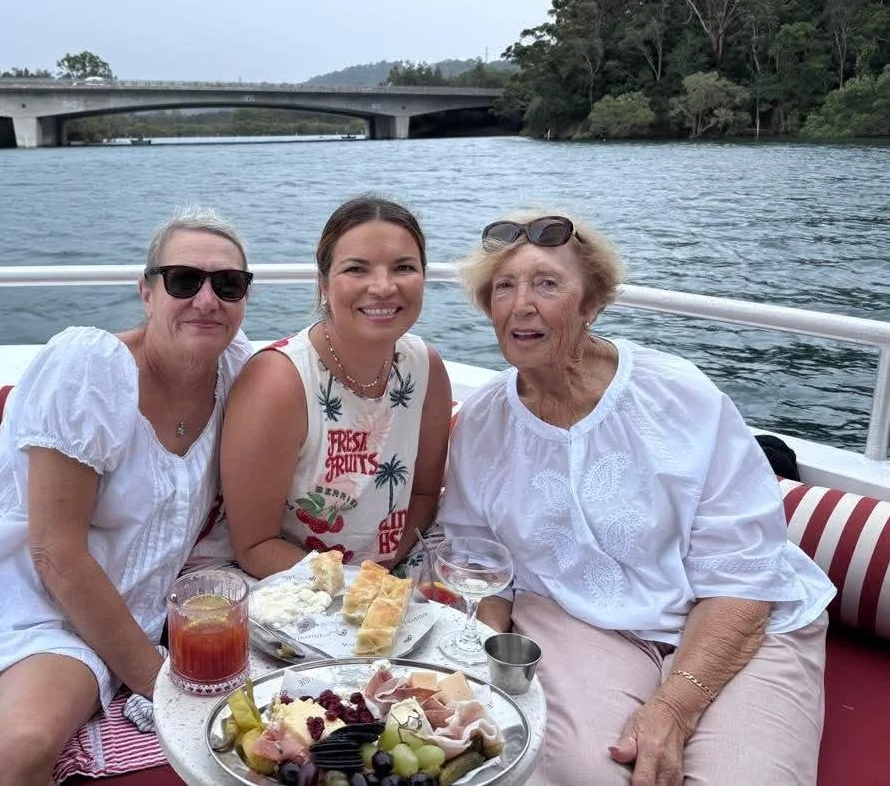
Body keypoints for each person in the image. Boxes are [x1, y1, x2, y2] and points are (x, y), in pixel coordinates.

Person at [0, 208, 254, 786]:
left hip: (87, 612)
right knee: (22, 746)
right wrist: (162, 683)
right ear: (147, 292)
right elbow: (54, 552)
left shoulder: (238, 373)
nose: (207, 300)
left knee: (20, 747)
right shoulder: (92, 369)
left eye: (228, 284)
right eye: (184, 280)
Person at [440, 211, 834, 786]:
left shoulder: (674, 394)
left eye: (547, 283)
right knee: (577, 773)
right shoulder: (482, 421)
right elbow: (478, 561)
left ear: (592, 302)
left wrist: (674, 705)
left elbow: (744, 571)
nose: (521, 304)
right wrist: (479, 674)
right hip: (581, 617)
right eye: (504, 287)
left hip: (735, 615)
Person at [218, 194, 452, 578]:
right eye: (356, 269)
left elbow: (424, 494)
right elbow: (256, 546)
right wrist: (358, 587)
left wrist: (381, 575)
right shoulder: (279, 382)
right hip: (292, 581)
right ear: (324, 284)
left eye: (404, 267)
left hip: (390, 568)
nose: (383, 287)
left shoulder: (425, 368)